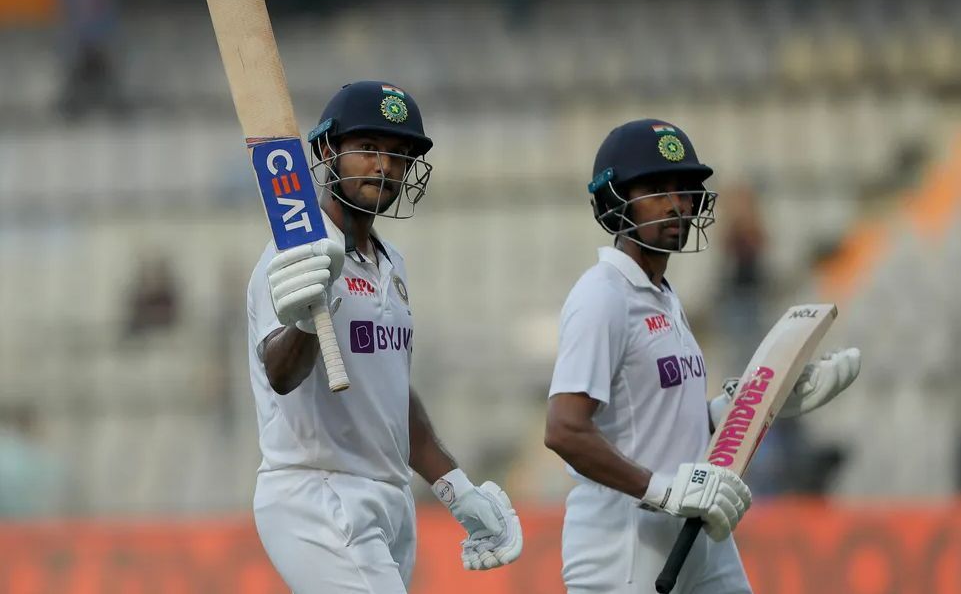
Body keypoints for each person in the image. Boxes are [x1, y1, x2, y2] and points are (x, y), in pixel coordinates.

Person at [543, 119, 860, 594]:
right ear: (616, 201)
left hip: (697, 531)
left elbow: (675, 423)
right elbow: (564, 429)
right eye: (656, 189)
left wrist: (766, 402)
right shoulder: (602, 295)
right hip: (624, 546)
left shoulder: (664, 296)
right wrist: (664, 490)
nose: (677, 204)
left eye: (685, 190)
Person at [247, 81, 522, 593]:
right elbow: (279, 373)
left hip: (389, 496)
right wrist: (307, 320)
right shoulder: (293, 251)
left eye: (398, 155)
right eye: (369, 149)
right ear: (329, 151)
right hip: (318, 491)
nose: (385, 166)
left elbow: (391, 393)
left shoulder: (392, 263)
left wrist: (456, 488)